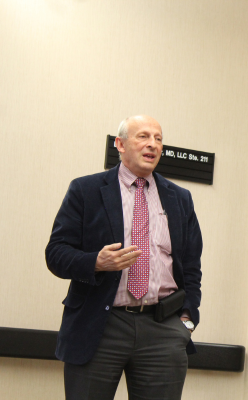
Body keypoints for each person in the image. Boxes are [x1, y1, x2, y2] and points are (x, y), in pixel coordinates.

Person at [46, 115, 202, 400]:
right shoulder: (86, 191)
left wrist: (187, 318)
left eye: (158, 138)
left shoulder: (180, 198)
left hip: (163, 327)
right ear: (120, 144)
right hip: (100, 325)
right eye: (143, 136)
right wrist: (95, 262)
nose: (152, 144)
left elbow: (191, 265)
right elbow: (56, 253)